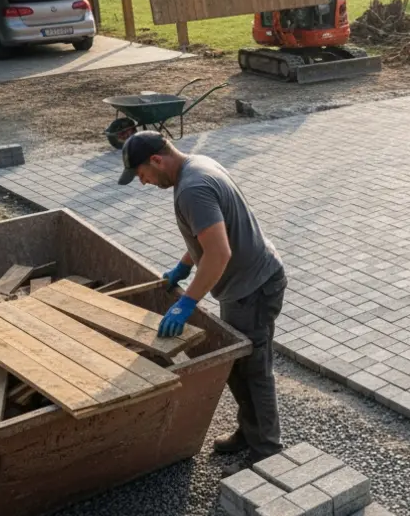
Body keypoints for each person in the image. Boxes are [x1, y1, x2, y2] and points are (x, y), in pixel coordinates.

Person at [117, 131, 288, 471]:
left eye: (142, 174)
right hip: (245, 285)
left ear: (156, 160)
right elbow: (208, 236)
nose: (143, 182)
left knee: (254, 370)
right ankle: (249, 432)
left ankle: (266, 453)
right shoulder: (197, 165)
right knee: (237, 365)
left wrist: (187, 303)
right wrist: (184, 265)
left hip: (253, 288)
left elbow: (219, 252)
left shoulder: (192, 189)